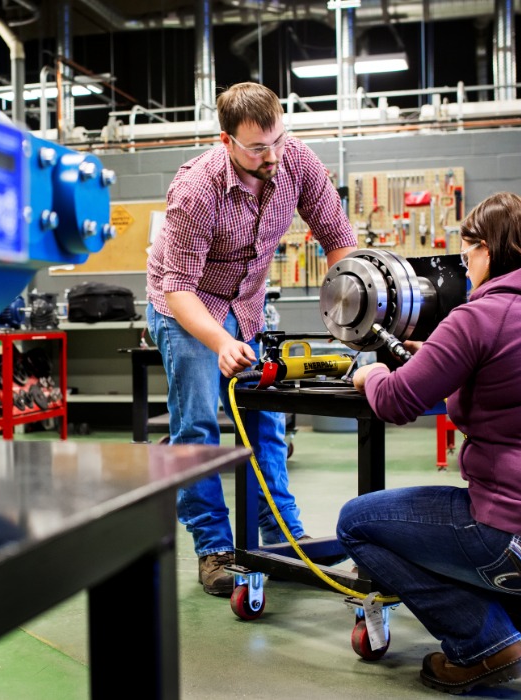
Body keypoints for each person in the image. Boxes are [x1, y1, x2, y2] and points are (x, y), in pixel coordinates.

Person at [341, 192, 521, 693]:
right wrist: (437, 355)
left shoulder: (480, 314)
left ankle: (481, 646)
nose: (464, 263)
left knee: (359, 524)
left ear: (490, 250)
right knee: (475, 551)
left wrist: (367, 374)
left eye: (468, 250)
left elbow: (395, 401)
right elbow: (510, 379)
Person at [145, 82, 356, 596]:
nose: (274, 156)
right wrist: (219, 342)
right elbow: (178, 292)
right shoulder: (197, 191)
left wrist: (355, 303)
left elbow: (337, 237)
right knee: (197, 425)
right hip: (187, 309)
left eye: (278, 140)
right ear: (227, 141)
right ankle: (213, 546)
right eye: (259, 148)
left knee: (265, 419)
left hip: (247, 304)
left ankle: (281, 534)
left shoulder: (296, 160)